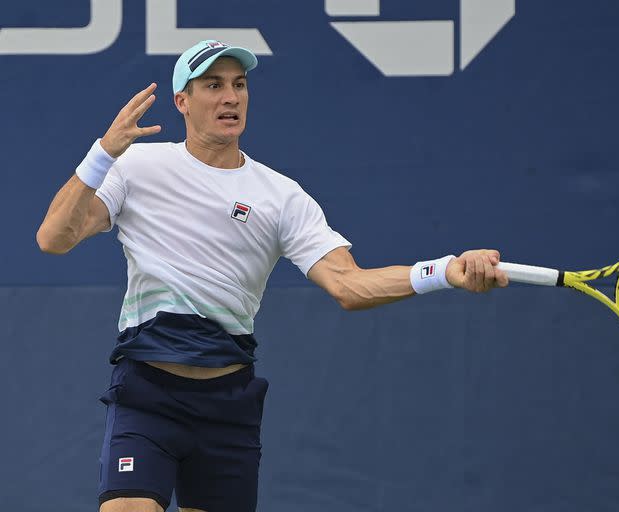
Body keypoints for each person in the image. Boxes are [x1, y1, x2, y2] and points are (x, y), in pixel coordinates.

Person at [36, 40, 509, 512]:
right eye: (213, 85)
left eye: (239, 85)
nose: (231, 97)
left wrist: (446, 271)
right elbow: (54, 239)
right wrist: (102, 154)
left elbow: (349, 285)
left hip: (227, 406)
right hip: (147, 396)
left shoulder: (281, 196)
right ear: (182, 101)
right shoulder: (135, 167)